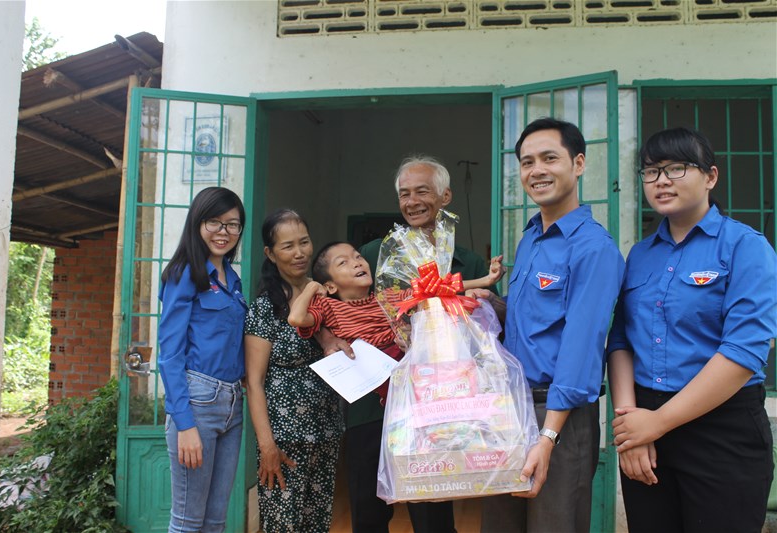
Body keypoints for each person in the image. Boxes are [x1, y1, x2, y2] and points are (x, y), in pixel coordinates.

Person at [607, 127, 776, 532]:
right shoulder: (640, 255)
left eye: (677, 168)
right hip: (645, 427)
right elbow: (621, 340)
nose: (661, 180)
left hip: (722, 430)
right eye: (651, 171)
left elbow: (744, 351)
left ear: (711, 176)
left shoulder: (745, 246)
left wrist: (658, 422)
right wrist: (631, 428)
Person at [316, 155, 495, 533]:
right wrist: (328, 336)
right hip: (372, 400)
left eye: (422, 192)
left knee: (432, 510)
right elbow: (322, 300)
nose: (412, 202)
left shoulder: (468, 263)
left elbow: (485, 329)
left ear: (446, 196)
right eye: (404, 194)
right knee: (368, 508)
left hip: (437, 402)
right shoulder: (372, 254)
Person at [474, 118, 624, 533]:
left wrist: (548, 437)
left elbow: (581, 347)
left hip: (559, 415)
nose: (536, 170)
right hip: (511, 407)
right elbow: (534, 320)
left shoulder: (593, 248)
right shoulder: (531, 239)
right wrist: (492, 304)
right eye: (527, 162)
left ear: (578, 164)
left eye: (549, 158)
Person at [288, 241, 502, 403]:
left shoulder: (387, 297)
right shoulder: (328, 308)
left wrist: (485, 280)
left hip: (406, 368)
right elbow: (296, 318)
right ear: (330, 286)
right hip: (370, 379)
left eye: (358, 256)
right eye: (343, 262)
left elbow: (433, 289)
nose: (357, 262)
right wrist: (311, 287)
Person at [244, 209, 344, 533]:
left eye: (304, 242)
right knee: (283, 526)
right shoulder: (265, 308)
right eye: (288, 246)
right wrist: (267, 446)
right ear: (270, 254)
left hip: (326, 432)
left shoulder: (326, 298)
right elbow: (254, 382)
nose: (299, 252)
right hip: (285, 441)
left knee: (317, 524)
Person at [158, 186, 248, 533]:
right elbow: (170, 355)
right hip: (197, 403)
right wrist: (185, 425)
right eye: (214, 222)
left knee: (215, 522)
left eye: (233, 224)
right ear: (197, 223)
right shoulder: (184, 274)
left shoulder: (233, 279)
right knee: (187, 522)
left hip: (232, 403)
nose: (224, 232)